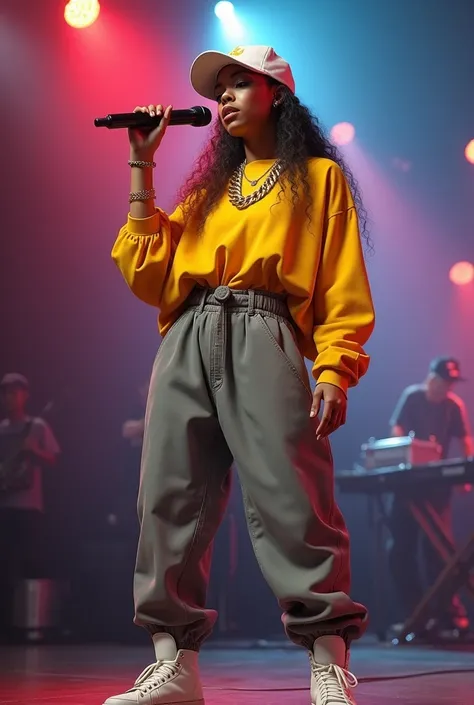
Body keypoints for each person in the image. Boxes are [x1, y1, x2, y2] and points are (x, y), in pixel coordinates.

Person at [105, 45, 375, 705]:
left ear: (277, 93)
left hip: (266, 330)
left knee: (292, 495)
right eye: (219, 88)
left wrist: (335, 367)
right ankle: (175, 666)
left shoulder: (318, 178)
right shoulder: (206, 193)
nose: (223, 97)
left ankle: (328, 661)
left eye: (238, 83)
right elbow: (149, 277)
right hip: (188, 334)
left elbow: (341, 281)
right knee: (169, 496)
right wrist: (142, 160)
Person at [389, 357, 473, 636]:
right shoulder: (412, 397)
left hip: (437, 489)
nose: (445, 388)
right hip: (408, 485)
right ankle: (416, 615)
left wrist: (467, 472)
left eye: (450, 384)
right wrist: (405, 451)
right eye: (442, 382)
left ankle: (446, 615)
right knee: (401, 550)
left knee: (438, 551)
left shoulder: (453, 406)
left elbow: (464, 440)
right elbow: (397, 428)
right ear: (431, 379)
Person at [0, 373, 60, 637]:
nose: (10, 397)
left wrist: (33, 450)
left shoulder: (37, 426)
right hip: (5, 504)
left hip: (29, 507)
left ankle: (28, 625)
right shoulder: (2, 429)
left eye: (15, 392)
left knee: (27, 562)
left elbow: (54, 458)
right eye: (6, 392)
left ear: (25, 395)